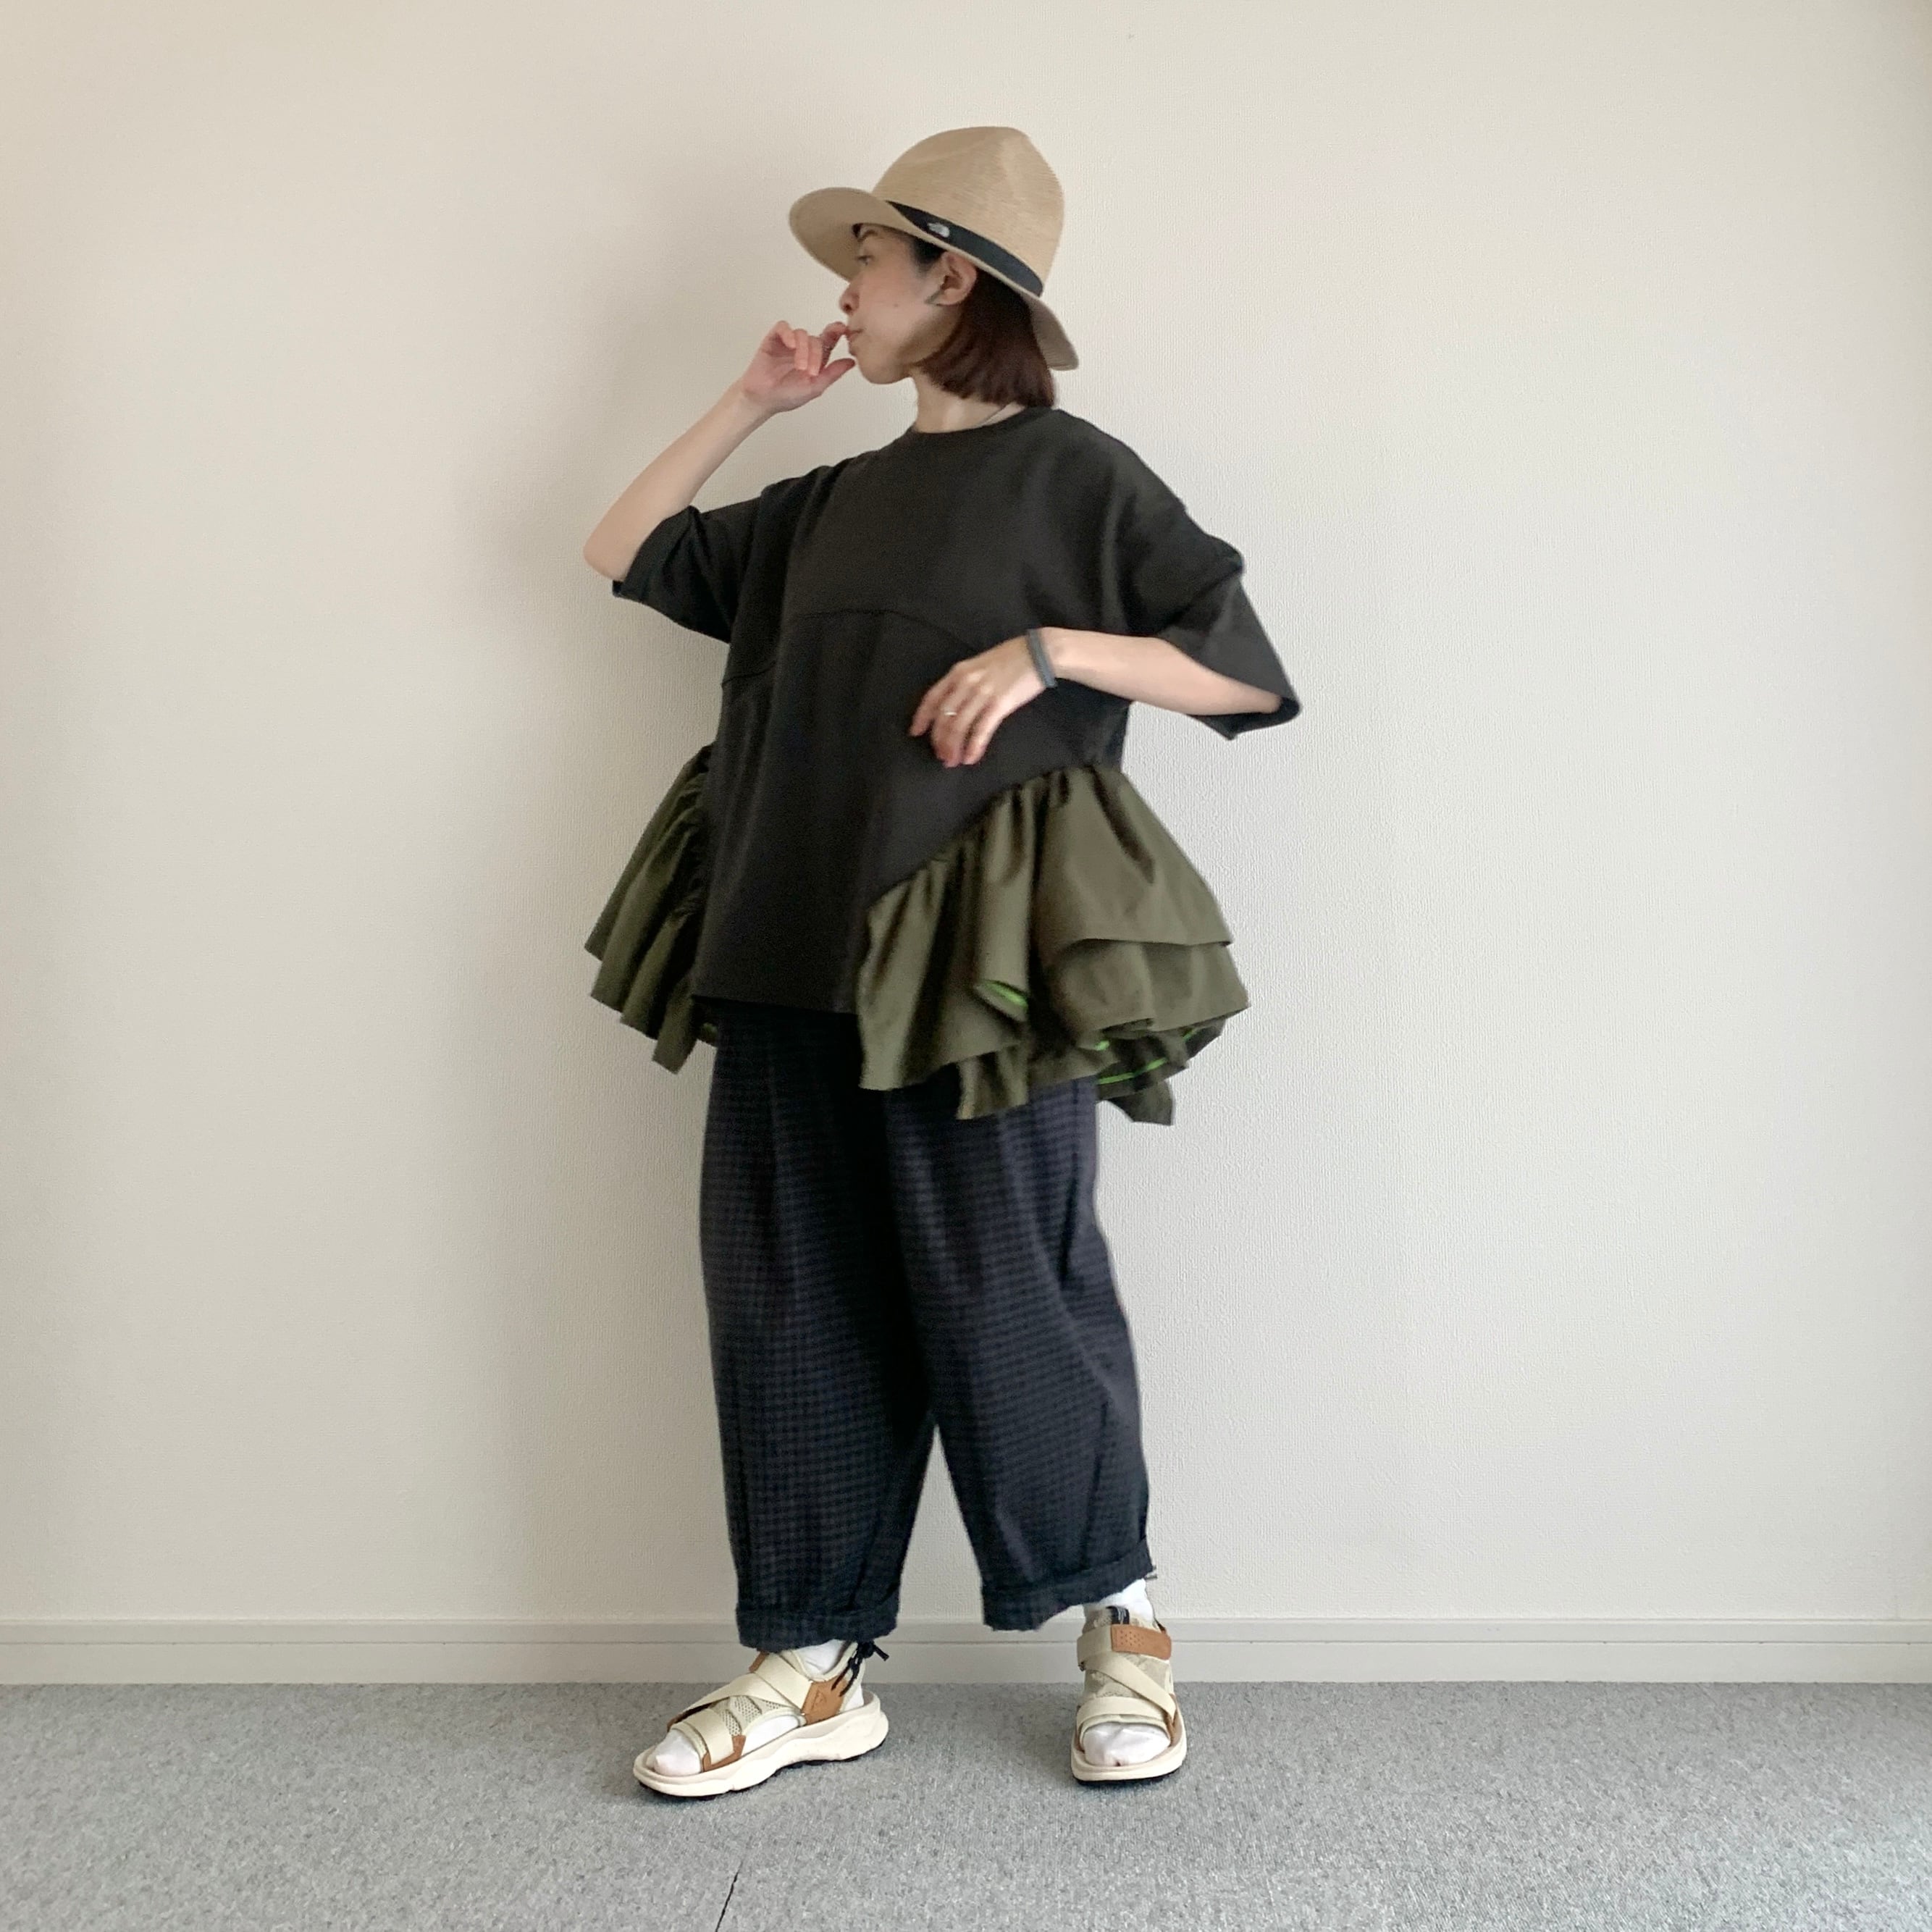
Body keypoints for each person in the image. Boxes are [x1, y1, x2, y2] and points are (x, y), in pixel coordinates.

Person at [581, 126, 1301, 1798]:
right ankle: (813, 1656)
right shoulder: (824, 502)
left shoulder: (1077, 480)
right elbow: (622, 547)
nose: (842, 292)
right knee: (785, 1299)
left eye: (867, 261)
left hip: (977, 971)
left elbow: (1242, 672)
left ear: (950, 281)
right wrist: (752, 400)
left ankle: (1122, 1625)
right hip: (783, 939)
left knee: (1010, 1287)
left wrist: (1049, 650)